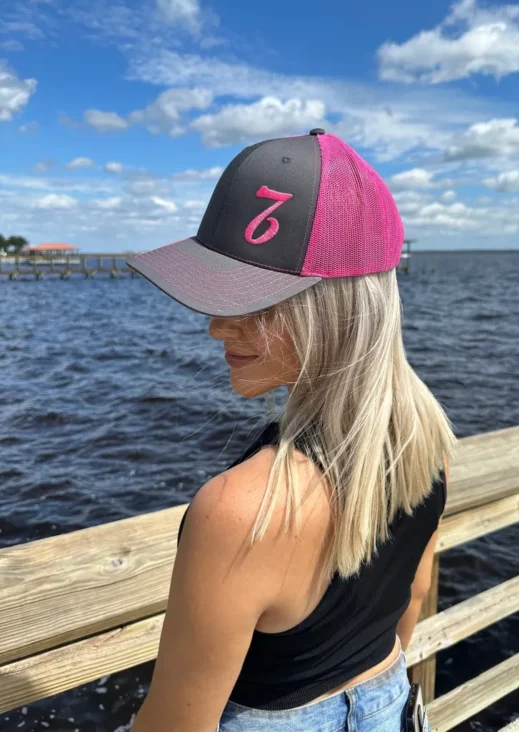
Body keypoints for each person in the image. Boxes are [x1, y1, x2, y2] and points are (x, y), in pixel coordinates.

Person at [127, 129, 457, 732]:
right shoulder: (425, 443)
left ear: (335, 308)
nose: (218, 327)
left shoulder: (239, 510)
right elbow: (411, 599)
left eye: (256, 302)